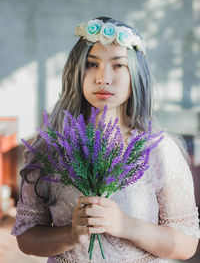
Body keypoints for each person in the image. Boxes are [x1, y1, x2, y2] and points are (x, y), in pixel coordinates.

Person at [12, 17, 200, 263]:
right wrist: (71, 234)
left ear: (136, 76)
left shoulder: (161, 152)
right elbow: (27, 236)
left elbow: (186, 245)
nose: (103, 77)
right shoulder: (50, 149)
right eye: (92, 64)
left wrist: (126, 225)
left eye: (118, 65)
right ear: (77, 72)